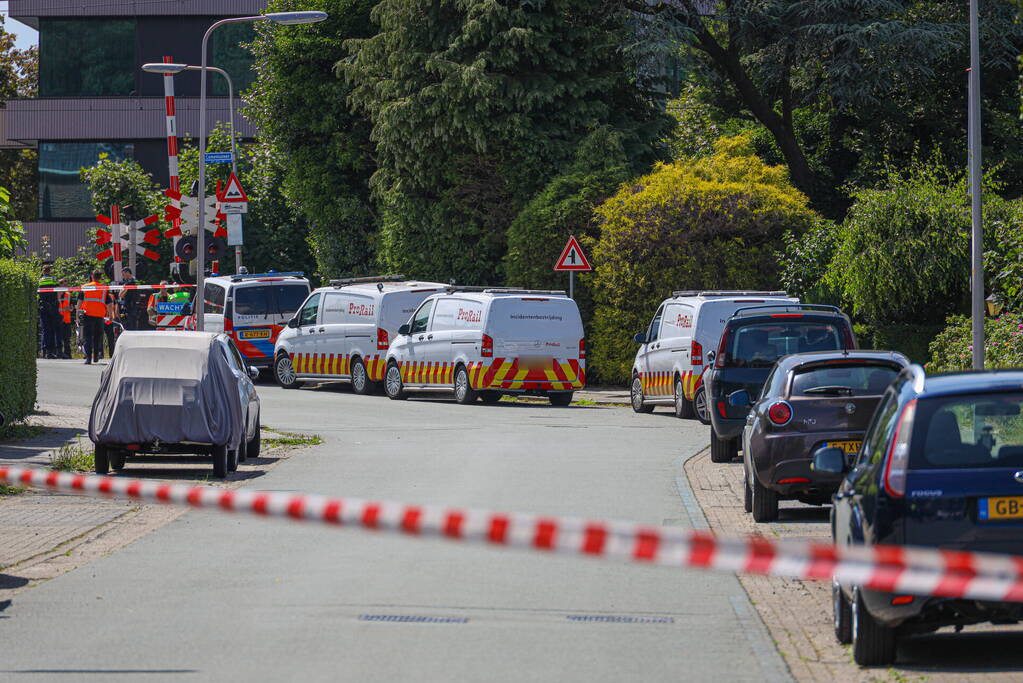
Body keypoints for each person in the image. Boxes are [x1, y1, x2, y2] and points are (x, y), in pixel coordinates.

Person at [78, 270, 108, 365]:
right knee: (97, 337)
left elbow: (79, 302)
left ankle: (88, 358)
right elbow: (108, 302)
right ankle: (96, 357)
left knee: (88, 337)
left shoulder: (85, 287)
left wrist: (77, 315)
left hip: (88, 314)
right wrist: (109, 314)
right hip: (100, 315)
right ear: (100, 277)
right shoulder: (104, 288)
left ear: (92, 276)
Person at [37, 265, 60, 358]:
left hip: (43, 306)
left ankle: (45, 351)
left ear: (43, 271)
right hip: (53, 306)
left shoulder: (39, 280)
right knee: (52, 329)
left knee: (45, 330)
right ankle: (51, 351)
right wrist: (58, 302)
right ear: (50, 271)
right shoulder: (54, 279)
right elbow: (58, 290)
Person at [57, 278, 73, 359]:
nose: (66, 286)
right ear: (60, 285)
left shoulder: (68, 294)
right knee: (59, 338)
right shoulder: (56, 294)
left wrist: (70, 308)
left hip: (67, 319)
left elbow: (71, 307)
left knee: (67, 338)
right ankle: (59, 353)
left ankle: (68, 354)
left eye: (66, 284)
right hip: (58, 319)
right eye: (64, 284)